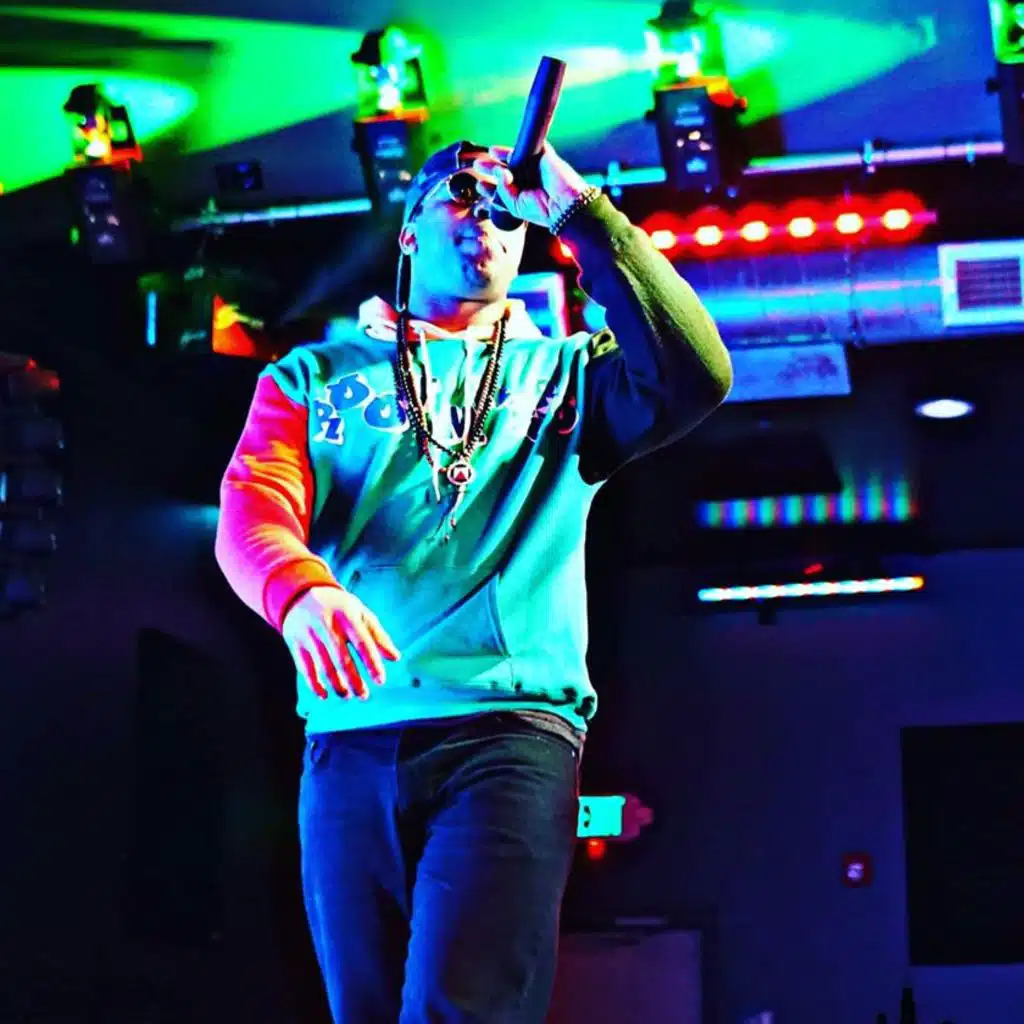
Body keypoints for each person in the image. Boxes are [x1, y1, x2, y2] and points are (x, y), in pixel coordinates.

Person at [215, 138, 732, 1023]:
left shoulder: (570, 376)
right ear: (409, 232)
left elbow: (696, 374)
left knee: (460, 1007)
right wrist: (300, 590)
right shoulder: (309, 377)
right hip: (348, 741)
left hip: (506, 735)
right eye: (461, 195)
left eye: (505, 208)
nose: (486, 218)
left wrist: (579, 213)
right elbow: (251, 507)